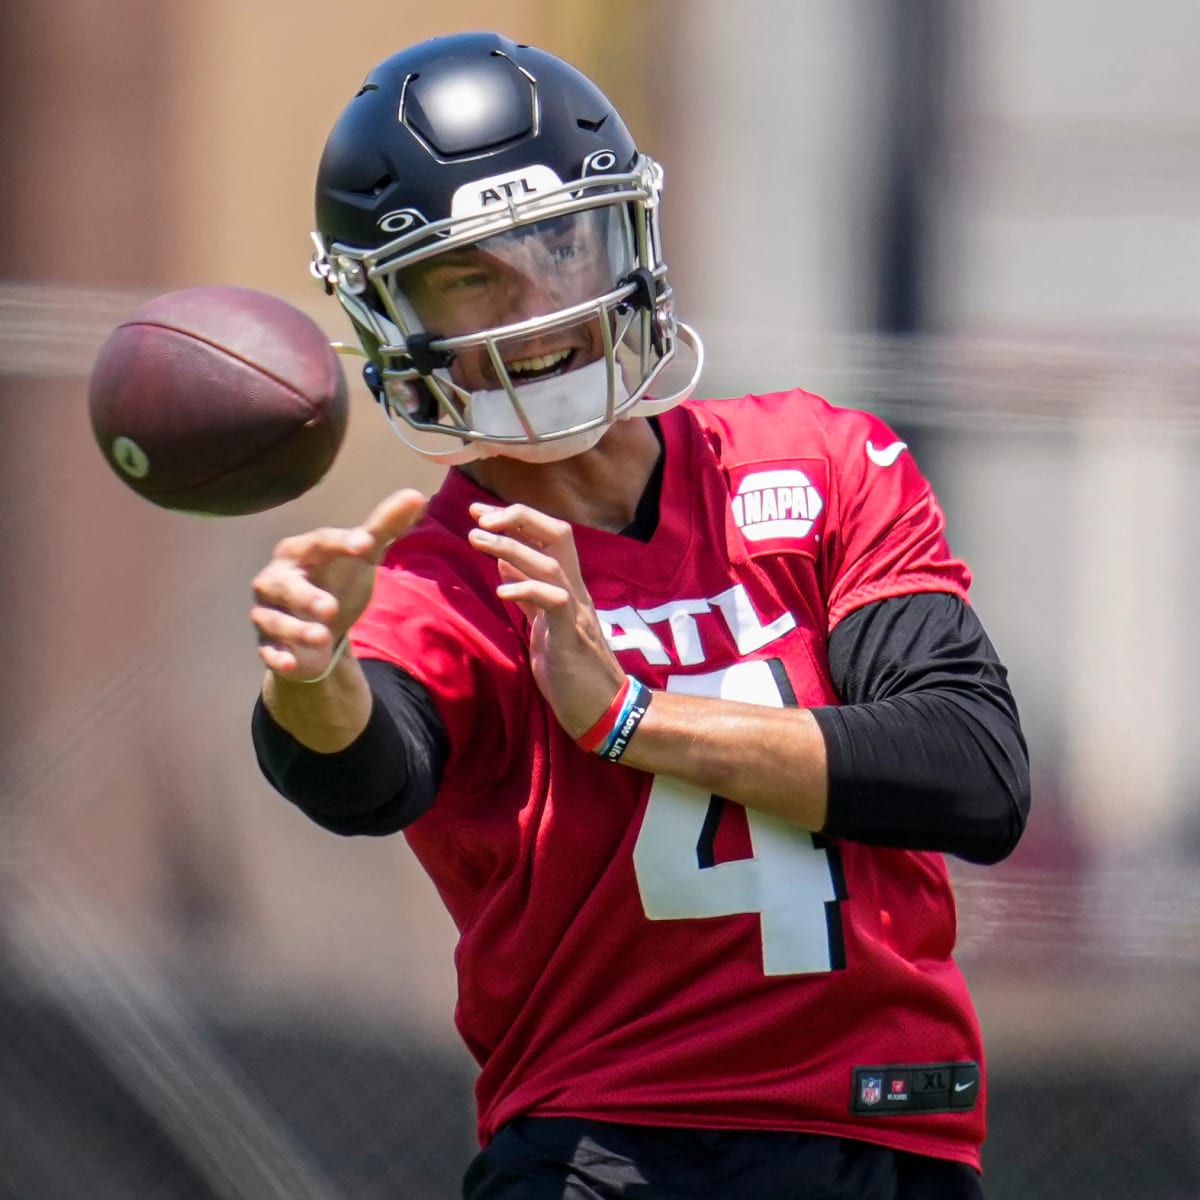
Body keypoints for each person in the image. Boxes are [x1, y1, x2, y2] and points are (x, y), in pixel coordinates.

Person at [250, 31, 1030, 1200]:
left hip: (893, 1131)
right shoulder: (438, 575)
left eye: (560, 244)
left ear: (627, 238)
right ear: (395, 317)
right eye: (473, 274)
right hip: (612, 1150)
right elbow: (367, 773)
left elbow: (973, 772)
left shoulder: (817, 461)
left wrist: (627, 717)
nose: (542, 309)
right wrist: (312, 675)